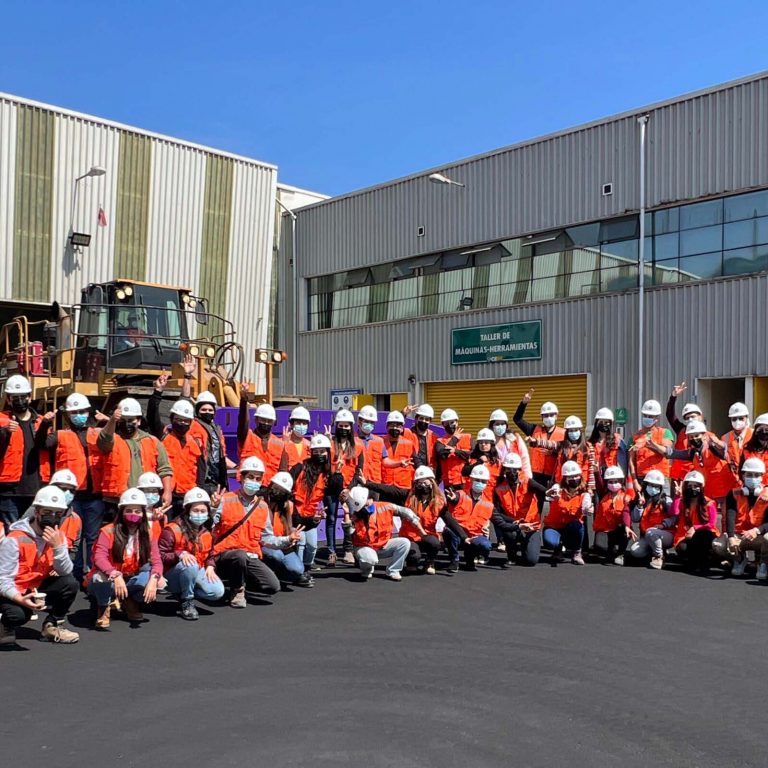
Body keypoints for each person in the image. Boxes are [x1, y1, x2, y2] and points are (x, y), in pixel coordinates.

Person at [0, 485, 80, 646]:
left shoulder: (58, 537)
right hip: (13, 590)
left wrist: (58, 547)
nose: (53, 517)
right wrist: (21, 600)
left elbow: (65, 571)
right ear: (36, 512)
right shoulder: (14, 539)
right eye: (47, 512)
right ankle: (5, 627)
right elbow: (3, 580)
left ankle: (52, 625)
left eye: (58, 513)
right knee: (18, 615)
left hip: (36, 587)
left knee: (70, 583)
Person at [38, 393, 104, 581]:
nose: (79, 415)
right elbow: (41, 443)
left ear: (88, 412)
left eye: (82, 411)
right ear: (67, 415)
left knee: (92, 537)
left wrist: (110, 421)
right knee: (73, 536)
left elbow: (116, 440)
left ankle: (91, 574)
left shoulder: (97, 433)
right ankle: (73, 573)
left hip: (94, 496)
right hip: (70, 497)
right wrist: (44, 424)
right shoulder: (59, 435)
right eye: (74, 412)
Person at [86, 488, 163, 629]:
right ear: (121, 512)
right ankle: (103, 607)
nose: (133, 514)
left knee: (158, 582)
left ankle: (128, 600)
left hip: (130, 576)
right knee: (99, 578)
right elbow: (99, 557)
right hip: (109, 578)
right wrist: (114, 574)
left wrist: (154, 579)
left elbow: (157, 560)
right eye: (129, 510)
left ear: (143, 514)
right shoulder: (108, 531)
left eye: (137, 511)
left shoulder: (147, 533)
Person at [212, 456, 281, 608]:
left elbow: (266, 537)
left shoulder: (262, 506)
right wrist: (213, 508)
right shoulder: (225, 499)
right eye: (250, 477)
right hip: (224, 554)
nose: (254, 481)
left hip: (249, 556)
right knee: (239, 555)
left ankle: (241, 581)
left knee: (273, 586)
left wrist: (288, 540)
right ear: (241, 478)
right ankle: (237, 590)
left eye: (258, 478)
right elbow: (208, 527)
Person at [357, 465, 445, 574]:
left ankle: (429, 562)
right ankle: (411, 562)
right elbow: (388, 489)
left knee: (435, 543)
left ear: (432, 482)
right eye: (419, 483)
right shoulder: (407, 495)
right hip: (410, 537)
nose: (422, 485)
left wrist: (463, 537)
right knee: (414, 557)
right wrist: (367, 483)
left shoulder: (439, 502)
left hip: (426, 536)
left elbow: (450, 521)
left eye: (425, 482)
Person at [97, 398, 173, 518]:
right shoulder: (113, 439)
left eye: (131, 420)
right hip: (116, 501)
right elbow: (103, 441)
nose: (127, 424)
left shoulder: (152, 441)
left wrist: (167, 492)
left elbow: (165, 469)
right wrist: (112, 420)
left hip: (145, 501)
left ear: (139, 421)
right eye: (123, 420)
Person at [159, 486, 225, 620]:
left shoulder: (206, 531)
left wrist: (210, 566)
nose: (199, 514)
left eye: (203, 511)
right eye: (195, 510)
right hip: (172, 574)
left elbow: (210, 553)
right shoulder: (172, 529)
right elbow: (160, 554)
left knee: (217, 591)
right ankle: (187, 601)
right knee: (190, 564)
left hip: (197, 569)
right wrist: (179, 554)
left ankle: (183, 592)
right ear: (187, 510)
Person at [344, 485, 426, 581]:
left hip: (383, 545)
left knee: (404, 543)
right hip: (364, 547)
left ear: (369, 499)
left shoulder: (385, 506)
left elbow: (405, 511)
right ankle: (367, 569)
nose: (365, 508)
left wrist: (419, 527)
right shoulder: (355, 515)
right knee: (370, 559)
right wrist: (347, 516)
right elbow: (349, 532)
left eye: (366, 505)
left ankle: (393, 570)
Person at [655, 420, 733, 517]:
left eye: (696, 435)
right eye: (691, 437)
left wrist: (716, 442)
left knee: (725, 518)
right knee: (706, 517)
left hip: (724, 492)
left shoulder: (713, 447)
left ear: (704, 435)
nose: (694, 439)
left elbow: (723, 448)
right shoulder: (693, 453)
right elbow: (672, 453)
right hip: (708, 492)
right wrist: (654, 445)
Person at [0, 374, 45, 529]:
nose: (20, 400)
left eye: (23, 396)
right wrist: (3, 432)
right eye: (15, 397)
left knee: (33, 534)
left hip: (35, 489)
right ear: (8, 400)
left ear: (29, 397)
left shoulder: (40, 422)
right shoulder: (1, 421)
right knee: (12, 534)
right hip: (9, 491)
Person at [491, 453, 546, 567]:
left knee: (531, 560)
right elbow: (498, 513)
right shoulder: (499, 488)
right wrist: (514, 522)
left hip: (531, 526)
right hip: (513, 525)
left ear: (519, 469)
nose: (511, 472)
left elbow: (543, 491)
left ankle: (527, 545)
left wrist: (550, 492)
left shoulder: (528, 482)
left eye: (514, 469)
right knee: (509, 533)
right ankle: (512, 554)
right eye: (508, 469)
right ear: (504, 469)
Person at [513, 389, 565, 509]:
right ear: (542, 417)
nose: (548, 418)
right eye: (545, 415)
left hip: (554, 475)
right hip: (537, 475)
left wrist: (553, 452)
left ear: (556, 416)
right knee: (535, 506)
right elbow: (517, 419)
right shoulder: (534, 429)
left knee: (556, 506)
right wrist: (524, 403)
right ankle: (535, 521)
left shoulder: (563, 433)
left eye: (551, 415)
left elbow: (566, 451)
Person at [260, 472, 311, 588]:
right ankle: (262, 576)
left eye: (282, 491)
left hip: (283, 543)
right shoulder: (260, 503)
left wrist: (293, 534)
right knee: (276, 555)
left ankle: (279, 574)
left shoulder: (288, 506)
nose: (278, 493)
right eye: (276, 488)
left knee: (298, 569)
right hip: (264, 544)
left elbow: (297, 523)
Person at [326, 409, 363, 566]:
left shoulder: (358, 446)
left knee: (352, 517)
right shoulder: (329, 443)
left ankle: (349, 550)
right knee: (331, 518)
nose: (343, 428)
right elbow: (325, 467)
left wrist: (348, 488)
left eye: (346, 425)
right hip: (331, 488)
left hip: (349, 489)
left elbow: (358, 470)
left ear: (351, 427)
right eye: (341, 425)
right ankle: (331, 552)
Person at [290, 434, 331, 573]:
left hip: (311, 517)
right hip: (296, 516)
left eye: (322, 451)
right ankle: (298, 571)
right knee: (300, 543)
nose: (319, 454)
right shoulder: (299, 468)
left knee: (312, 546)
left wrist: (319, 514)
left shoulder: (326, 473)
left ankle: (307, 566)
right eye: (316, 451)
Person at [722, 458, 768, 580]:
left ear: (762, 477)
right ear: (743, 475)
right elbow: (730, 517)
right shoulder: (734, 494)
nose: (753, 478)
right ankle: (740, 559)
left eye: (756, 475)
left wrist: (756, 530)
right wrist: (731, 537)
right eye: (749, 474)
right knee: (719, 545)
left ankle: (763, 563)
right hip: (740, 535)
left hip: (759, 535)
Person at [443, 465, 494, 572]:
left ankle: (470, 558)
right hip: (458, 533)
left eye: (483, 481)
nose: (480, 483)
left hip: (474, 535)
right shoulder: (461, 494)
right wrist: (452, 499)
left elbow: (500, 520)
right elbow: (455, 498)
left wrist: (518, 525)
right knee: (448, 532)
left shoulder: (488, 503)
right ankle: (454, 560)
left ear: (487, 483)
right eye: (477, 480)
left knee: (485, 545)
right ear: (471, 479)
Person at [542, 461, 593, 565]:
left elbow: (586, 506)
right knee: (550, 542)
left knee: (578, 526)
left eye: (576, 476)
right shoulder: (558, 490)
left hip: (571, 528)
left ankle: (577, 551)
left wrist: (588, 509)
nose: (574, 479)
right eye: (570, 477)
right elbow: (549, 494)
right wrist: (552, 493)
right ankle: (558, 549)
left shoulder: (584, 495)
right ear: (565, 478)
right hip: (554, 526)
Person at [626, 470, 675, 569]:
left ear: (661, 487)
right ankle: (655, 549)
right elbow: (635, 519)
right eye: (651, 485)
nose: (653, 488)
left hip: (666, 534)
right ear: (645, 485)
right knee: (635, 551)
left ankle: (659, 557)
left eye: (656, 486)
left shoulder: (666, 500)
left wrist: (663, 525)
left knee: (651, 533)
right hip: (647, 536)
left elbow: (674, 517)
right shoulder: (642, 499)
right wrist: (639, 506)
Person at [673, 470, 718, 574]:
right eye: (690, 486)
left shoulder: (709, 503)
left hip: (704, 535)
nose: (692, 488)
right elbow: (674, 512)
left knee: (703, 537)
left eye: (696, 486)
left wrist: (695, 528)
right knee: (682, 549)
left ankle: (705, 562)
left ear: (701, 487)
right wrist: (677, 496)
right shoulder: (683, 501)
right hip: (686, 536)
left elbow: (711, 524)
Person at [237, 389, 284, 484]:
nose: (266, 423)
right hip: (249, 485)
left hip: (270, 488)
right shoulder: (247, 436)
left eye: (269, 421)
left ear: (274, 422)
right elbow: (242, 422)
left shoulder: (280, 443)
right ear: (256, 419)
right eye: (263, 420)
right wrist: (244, 401)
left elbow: (282, 470)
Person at [628, 399, 674, 494]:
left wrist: (650, 445)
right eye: (645, 415)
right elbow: (631, 461)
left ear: (657, 418)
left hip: (661, 477)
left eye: (650, 416)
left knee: (663, 502)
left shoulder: (665, 433)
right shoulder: (634, 437)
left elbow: (666, 453)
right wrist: (635, 481)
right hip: (642, 478)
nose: (647, 418)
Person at [591, 466, 635, 565]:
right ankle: (611, 550)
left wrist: (627, 526)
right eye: (610, 482)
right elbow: (599, 486)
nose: (613, 484)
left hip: (619, 529)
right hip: (605, 529)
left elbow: (626, 512)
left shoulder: (625, 497)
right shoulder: (604, 495)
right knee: (600, 546)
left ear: (621, 482)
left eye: (616, 481)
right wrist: (597, 473)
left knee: (624, 532)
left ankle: (620, 553)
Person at [666, 382, 704, 494]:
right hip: (678, 476)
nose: (690, 419)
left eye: (693, 416)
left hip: (695, 476)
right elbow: (670, 415)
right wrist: (673, 396)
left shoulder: (706, 435)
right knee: (676, 503)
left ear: (700, 416)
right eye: (687, 418)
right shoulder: (681, 430)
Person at [588, 408, 629, 488]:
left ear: (611, 424)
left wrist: (622, 480)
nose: (604, 424)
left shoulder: (617, 440)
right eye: (601, 422)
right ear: (596, 423)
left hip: (613, 478)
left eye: (606, 422)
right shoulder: (590, 443)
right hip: (596, 479)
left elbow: (624, 462)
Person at [434, 409, 472, 491]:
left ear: (457, 422)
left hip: (466, 482)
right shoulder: (440, 441)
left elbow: (473, 455)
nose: (450, 425)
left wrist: (456, 451)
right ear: (443, 425)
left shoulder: (468, 437)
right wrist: (454, 439)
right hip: (449, 484)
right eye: (446, 423)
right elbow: (442, 455)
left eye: (452, 422)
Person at [488, 408, 532, 478]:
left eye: (502, 424)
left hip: (514, 478)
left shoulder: (515, 438)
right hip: (494, 479)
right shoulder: (487, 441)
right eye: (497, 424)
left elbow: (524, 457)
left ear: (506, 425)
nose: (500, 426)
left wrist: (528, 478)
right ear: (491, 426)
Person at [461, 428, 502, 501]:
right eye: (481, 442)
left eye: (486, 442)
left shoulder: (497, 462)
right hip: (469, 498)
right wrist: (479, 462)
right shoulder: (472, 458)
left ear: (491, 444)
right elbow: (464, 472)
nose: (483, 444)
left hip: (488, 500)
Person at [381, 411, 416, 489]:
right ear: (387, 427)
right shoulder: (380, 442)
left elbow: (416, 463)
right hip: (384, 486)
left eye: (398, 426)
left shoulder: (409, 444)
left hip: (404, 487)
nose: (395, 428)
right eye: (392, 425)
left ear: (402, 428)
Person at [722, 402, 752, 480]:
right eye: (734, 419)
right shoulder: (724, 438)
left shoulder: (754, 435)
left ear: (746, 418)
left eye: (741, 418)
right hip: (732, 479)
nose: (737, 421)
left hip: (751, 476)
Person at [406, 404, 438, 470]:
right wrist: (403, 414)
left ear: (430, 421)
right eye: (421, 418)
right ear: (416, 419)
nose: (424, 421)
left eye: (426, 419)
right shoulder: (408, 434)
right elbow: (398, 427)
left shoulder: (434, 437)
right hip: (412, 472)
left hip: (429, 472)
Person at [740, 414, 768, 483]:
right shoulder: (747, 450)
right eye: (760, 429)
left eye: (767, 429)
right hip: (751, 487)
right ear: (755, 432)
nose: (764, 432)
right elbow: (741, 472)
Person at [282, 406, 311, 471]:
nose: (301, 426)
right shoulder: (282, 442)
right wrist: (284, 445)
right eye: (298, 423)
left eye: (304, 423)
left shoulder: (309, 445)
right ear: (291, 424)